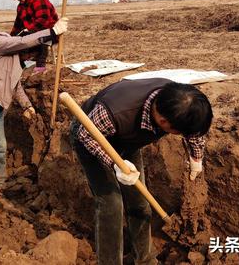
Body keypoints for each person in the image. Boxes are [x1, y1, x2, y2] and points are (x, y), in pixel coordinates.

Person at [70, 79, 213, 265]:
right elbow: (85, 135)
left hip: (127, 141)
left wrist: (196, 160)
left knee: (139, 200)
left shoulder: (180, 103)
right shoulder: (115, 112)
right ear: (163, 122)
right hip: (91, 137)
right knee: (111, 204)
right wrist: (114, 164)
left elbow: (193, 132)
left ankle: (145, 259)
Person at [0, 17, 69, 195]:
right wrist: (51, 33)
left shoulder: (18, 65)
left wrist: (28, 106)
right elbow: (23, 41)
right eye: (30, 54)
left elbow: (16, 87)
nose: (29, 58)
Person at [10, 0, 59, 74]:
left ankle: (40, 66)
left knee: (39, 38)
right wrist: (11, 38)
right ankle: (24, 65)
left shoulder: (39, 0)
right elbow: (18, 24)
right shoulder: (21, 6)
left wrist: (29, 30)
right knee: (18, 40)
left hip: (50, 32)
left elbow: (43, 20)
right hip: (31, 32)